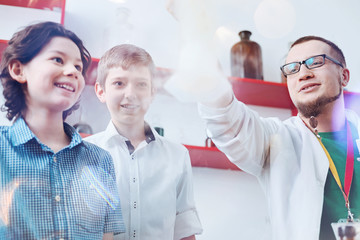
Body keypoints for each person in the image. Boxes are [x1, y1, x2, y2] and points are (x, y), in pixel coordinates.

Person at [165, 1, 360, 239]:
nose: (303, 73)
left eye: (315, 62)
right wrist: (196, 32)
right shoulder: (275, 140)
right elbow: (227, 119)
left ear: (344, 75)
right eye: (292, 68)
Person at [0, 21, 125, 239]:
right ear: (18, 70)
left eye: (78, 67)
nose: (72, 72)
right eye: (58, 59)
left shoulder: (101, 160)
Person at [85, 44, 203, 240]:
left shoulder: (177, 156)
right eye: (119, 83)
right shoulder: (84, 153)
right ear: (100, 91)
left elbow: (184, 231)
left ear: (152, 92)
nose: (131, 94)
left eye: (141, 84)